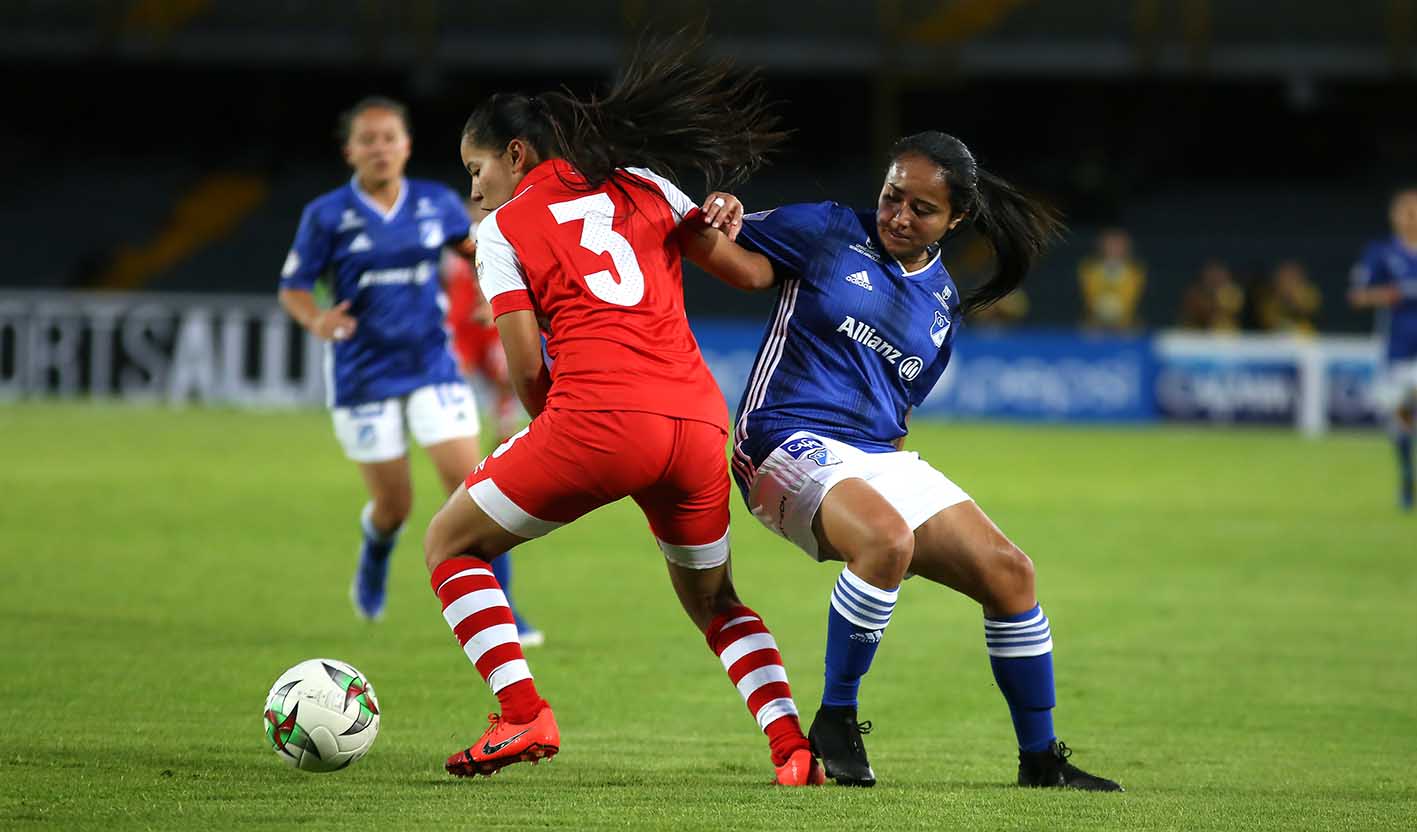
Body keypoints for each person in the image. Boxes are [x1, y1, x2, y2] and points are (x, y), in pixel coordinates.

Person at [420, 39, 824, 786]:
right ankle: (792, 750)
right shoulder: (645, 184)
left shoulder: (505, 231)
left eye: (476, 170)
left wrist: (559, 438)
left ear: (515, 155)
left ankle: (521, 714)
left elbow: (526, 367)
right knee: (716, 602)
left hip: (598, 422)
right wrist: (734, 214)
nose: (473, 192)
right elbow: (751, 273)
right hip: (699, 425)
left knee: (449, 545)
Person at [684, 131, 1124, 791]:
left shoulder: (942, 306)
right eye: (892, 197)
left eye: (920, 209)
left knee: (1010, 574)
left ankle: (1039, 760)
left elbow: (897, 413)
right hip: (781, 438)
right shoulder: (827, 229)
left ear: (954, 220)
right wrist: (712, 213)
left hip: (871, 454)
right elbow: (738, 263)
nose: (897, 215)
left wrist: (882, 486)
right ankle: (835, 719)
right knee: (885, 541)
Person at [277, 96, 534, 633]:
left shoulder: (434, 203)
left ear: (406, 146)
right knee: (394, 507)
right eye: (368, 140)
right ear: (350, 150)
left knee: (474, 490)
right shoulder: (326, 216)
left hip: (431, 367)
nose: (380, 149)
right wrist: (318, 320)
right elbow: (294, 288)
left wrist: (492, 287)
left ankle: (506, 609)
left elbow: (474, 247)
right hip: (362, 373)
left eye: (390, 138)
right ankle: (374, 556)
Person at [1349, 187, 1417, 511]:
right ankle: (1406, 471)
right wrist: (1389, 294)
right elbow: (1359, 295)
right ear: (1395, 216)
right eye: (1406, 211)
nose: (1412, 217)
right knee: (1401, 418)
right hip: (1400, 352)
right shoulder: (1382, 252)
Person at [1078, 228, 1145, 331]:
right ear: (1101, 246)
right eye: (1110, 244)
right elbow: (1089, 298)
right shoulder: (1088, 270)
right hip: (1094, 325)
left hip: (1127, 326)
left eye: (1118, 245)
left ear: (1127, 247)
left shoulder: (1136, 272)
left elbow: (1132, 300)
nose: (1114, 249)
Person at [1257, 259, 1321, 335]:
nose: (1288, 282)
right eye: (1285, 277)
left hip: (1303, 338)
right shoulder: (1268, 297)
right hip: (1274, 337)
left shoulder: (1308, 294)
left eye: (1292, 277)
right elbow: (1267, 319)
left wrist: (1292, 300)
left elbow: (1310, 310)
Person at [1178, 258, 1244, 332]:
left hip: (1225, 336)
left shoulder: (1231, 293)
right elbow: (1195, 312)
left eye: (1218, 275)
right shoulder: (1195, 295)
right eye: (1211, 276)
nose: (1214, 279)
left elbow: (1231, 310)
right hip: (1195, 334)